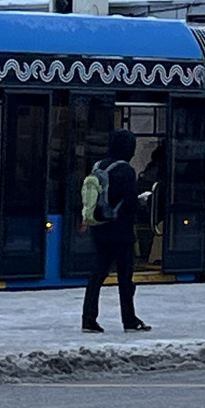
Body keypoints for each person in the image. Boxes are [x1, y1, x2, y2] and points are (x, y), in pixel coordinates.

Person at [81, 129, 150, 334]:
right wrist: (141, 201)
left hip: (100, 227)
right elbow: (129, 203)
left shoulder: (98, 166)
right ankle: (129, 320)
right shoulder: (125, 170)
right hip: (121, 231)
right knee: (125, 278)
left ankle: (88, 319)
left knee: (97, 275)